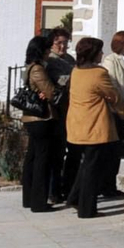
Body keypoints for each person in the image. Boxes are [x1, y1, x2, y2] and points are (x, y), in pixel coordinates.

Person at [65, 37, 124, 219]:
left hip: (77, 123)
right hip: (94, 126)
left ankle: (75, 197)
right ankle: (87, 209)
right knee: (93, 168)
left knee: (87, 164)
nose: (102, 54)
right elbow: (114, 96)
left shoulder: (76, 71)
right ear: (93, 54)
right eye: (100, 51)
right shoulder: (98, 74)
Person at [19, 35, 59, 212]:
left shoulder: (31, 67)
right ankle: (38, 202)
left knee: (33, 157)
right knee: (42, 159)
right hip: (41, 119)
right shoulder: (38, 69)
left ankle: (29, 199)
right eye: (47, 49)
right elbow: (51, 92)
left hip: (33, 119)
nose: (49, 52)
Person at [98, 30, 124, 195]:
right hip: (114, 109)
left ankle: (111, 184)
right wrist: (121, 107)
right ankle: (105, 184)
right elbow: (112, 85)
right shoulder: (110, 60)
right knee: (110, 149)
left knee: (119, 148)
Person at [45, 26, 77, 203]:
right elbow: (60, 81)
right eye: (59, 43)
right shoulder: (50, 61)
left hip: (71, 109)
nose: (63, 46)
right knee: (55, 153)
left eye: (65, 43)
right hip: (57, 111)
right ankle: (53, 190)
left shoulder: (70, 59)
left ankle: (66, 187)